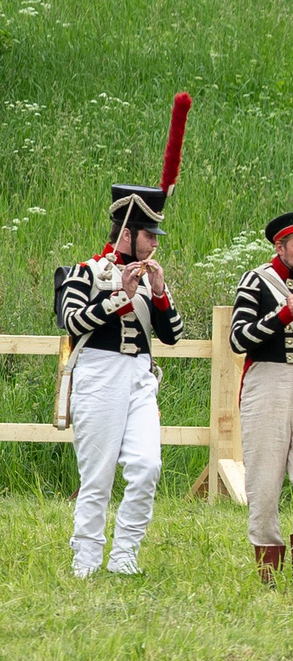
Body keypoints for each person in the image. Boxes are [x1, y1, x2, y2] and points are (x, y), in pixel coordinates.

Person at [59, 124, 188, 579]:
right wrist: (118, 296)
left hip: (139, 377)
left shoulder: (152, 277)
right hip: (97, 373)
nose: (155, 244)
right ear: (128, 234)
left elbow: (172, 336)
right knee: (96, 478)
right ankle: (87, 559)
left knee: (148, 466)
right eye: (150, 235)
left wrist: (159, 293)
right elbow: (72, 322)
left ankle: (125, 554)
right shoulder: (83, 272)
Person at [230, 210, 293, 586]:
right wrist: (283, 313)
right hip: (266, 384)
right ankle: (267, 572)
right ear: (281, 246)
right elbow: (238, 340)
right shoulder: (257, 281)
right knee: (265, 481)